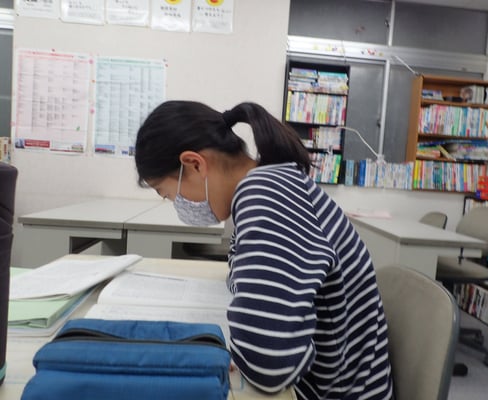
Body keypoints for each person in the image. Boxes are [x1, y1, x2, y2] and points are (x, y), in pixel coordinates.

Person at [134, 100, 394, 400]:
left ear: (195, 164)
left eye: (168, 194)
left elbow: (269, 365)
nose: (177, 204)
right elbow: (241, 280)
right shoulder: (269, 184)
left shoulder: (268, 197)